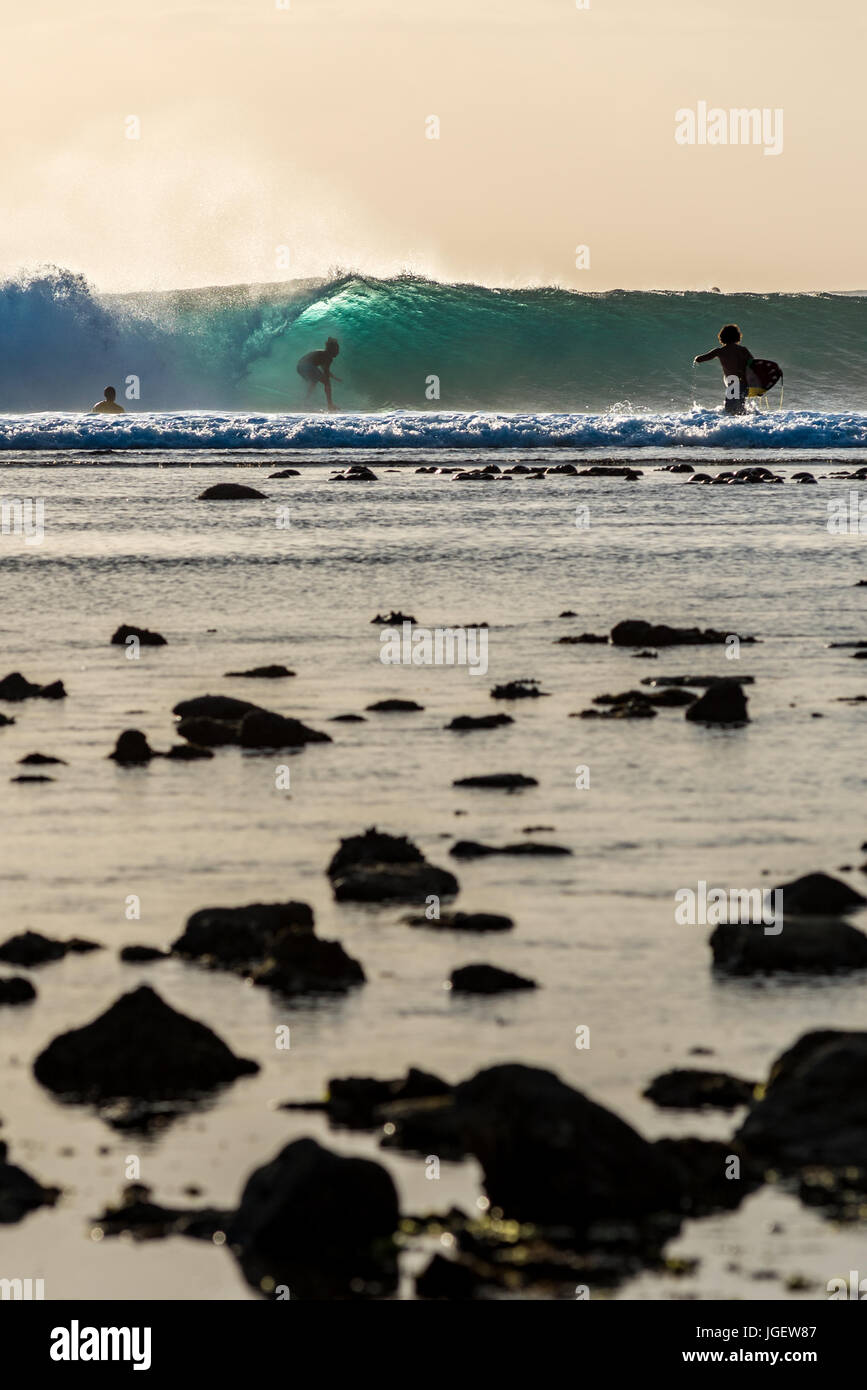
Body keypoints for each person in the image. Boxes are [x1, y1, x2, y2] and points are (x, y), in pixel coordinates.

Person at [693, 324, 754, 414]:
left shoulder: (719, 351)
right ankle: (748, 425)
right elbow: (753, 363)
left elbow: (700, 359)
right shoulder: (743, 350)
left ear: (722, 337)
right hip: (743, 382)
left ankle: (736, 426)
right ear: (737, 336)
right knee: (740, 408)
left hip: (732, 382)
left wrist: (696, 358)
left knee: (729, 410)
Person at [296, 337, 341, 410]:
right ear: (332, 350)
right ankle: (330, 405)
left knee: (313, 382)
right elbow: (326, 373)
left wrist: (334, 377)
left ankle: (305, 401)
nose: (338, 352)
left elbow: (324, 370)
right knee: (327, 382)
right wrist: (328, 381)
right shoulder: (328, 357)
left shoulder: (323, 353)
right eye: (337, 349)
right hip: (308, 366)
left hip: (299, 367)